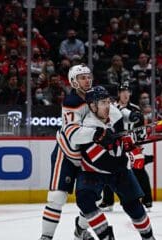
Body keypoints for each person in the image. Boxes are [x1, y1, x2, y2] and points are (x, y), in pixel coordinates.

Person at [58, 85, 155, 240]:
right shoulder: (87, 124)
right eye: (102, 102)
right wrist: (124, 155)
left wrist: (130, 147)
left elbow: (122, 136)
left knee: (134, 206)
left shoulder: (114, 113)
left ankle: (149, 237)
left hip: (117, 169)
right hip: (92, 170)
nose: (107, 106)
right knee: (85, 199)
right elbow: (99, 159)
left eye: (108, 101)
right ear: (92, 106)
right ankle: (104, 235)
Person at [39, 64, 93, 240]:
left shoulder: (97, 97)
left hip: (88, 155)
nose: (87, 80)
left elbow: (111, 115)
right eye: (82, 77)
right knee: (57, 197)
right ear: (73, 81)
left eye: (88, 76)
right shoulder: (71, 102)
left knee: (93, 199)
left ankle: (80, 229)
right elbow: (74, 135)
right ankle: (46, 236)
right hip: (66, 153)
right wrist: (99, 134)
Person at [98, 82, 154, 212]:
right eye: (122, 91)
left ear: (130, 93)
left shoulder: (135, 108)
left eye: (127, 91)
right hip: (114, 144)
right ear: (118, 93)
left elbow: (141, 129)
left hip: (130, 144)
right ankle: (108, 201)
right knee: (107, 169)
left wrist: (139, 141)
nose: (125, 93)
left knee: (139, 170)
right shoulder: (111, 107)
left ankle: (147, 200)